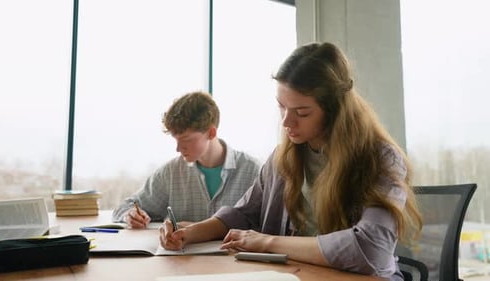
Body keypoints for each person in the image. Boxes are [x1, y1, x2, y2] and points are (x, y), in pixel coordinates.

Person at [159, 43, 423, 280]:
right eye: (281, 107)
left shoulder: (381, 160)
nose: (286, 121)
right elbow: (244, 213)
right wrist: (190, 234)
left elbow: (370, 248)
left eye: (302, 112)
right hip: (295, 274)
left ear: (334, 111)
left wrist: (267, 242)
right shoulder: (283, 157)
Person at [112, 91, 261, 228]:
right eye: (175, 140)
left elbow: (266, 226)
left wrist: (198, 229)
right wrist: (130, 215)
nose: (178, 148)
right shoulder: (170, 173)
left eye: (186, 139)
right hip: (180, 257)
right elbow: (124, 208)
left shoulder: (253, 171)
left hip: (232, 257)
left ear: (211, 132)